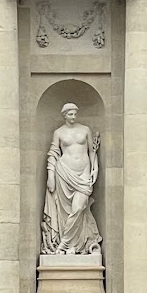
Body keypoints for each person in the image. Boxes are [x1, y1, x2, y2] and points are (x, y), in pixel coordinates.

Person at [41, 102, 103, 255]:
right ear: (64, 115)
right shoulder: (59, 133)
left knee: (78, 208)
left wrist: (95, 169)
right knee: (66, 212)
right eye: (70, 114)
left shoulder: (85, 130)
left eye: (75, 113)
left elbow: (91, 152)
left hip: (83, 174)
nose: (73, 116)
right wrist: (50, 176)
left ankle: (63, 244)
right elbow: (53, 153)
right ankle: (72, 246)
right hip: (64, 173)